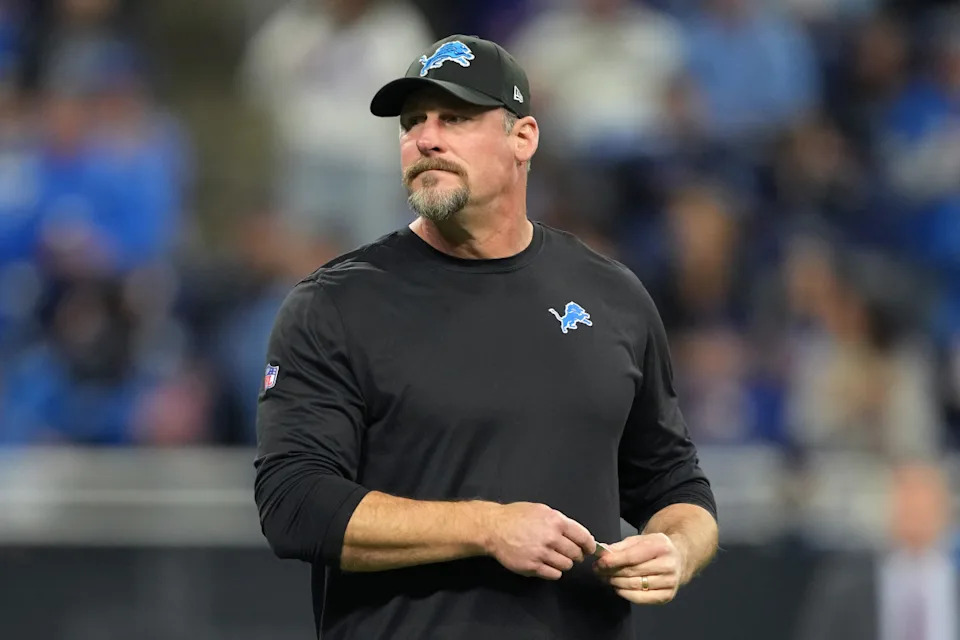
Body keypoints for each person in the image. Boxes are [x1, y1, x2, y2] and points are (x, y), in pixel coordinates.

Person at [254, 34, 719, 640]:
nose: (426, 137)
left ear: (522, 137)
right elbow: (294, 505)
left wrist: (676, 548)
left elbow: (676, 484)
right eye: (412, 121)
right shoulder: (335, 305)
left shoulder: (612, 297)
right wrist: (486, 527)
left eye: (456, 117)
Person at [795, 460, 959, 640]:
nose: (916, 512)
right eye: (907, 500)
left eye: (925, 502)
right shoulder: (847, 584)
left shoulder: (951, 583)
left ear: (944, 510)